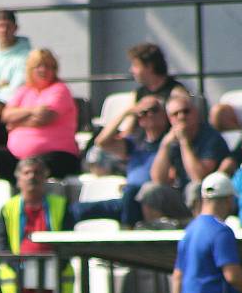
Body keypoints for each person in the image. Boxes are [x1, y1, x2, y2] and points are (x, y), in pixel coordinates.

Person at [0, 157, 73, 293]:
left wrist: (53, 267)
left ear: (46, 177)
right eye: (27, 172)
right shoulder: (8, 208)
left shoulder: (61, 205)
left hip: (53, 291)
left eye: (37, 172)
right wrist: (20, 269)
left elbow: (70, 244)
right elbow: (2, 247)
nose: (32, 177)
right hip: (20, 292)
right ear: (18, 178)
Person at [72, 95, 170, 227]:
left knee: (130, 192)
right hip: (127, 199)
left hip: (148, 201)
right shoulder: (135, 143)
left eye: (154, 110)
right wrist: (126, 113)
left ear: (164, 114)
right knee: (76, 210)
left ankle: (127, 238)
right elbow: (101, 142)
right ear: (139, 118)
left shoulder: (169, 142)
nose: (150, 115)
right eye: (144, 112)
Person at [142, 96, 229, 225]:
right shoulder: (170, 139)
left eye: (186, 111)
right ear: (169, 119)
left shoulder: (210, 137)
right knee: (150, 190)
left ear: (195, 112)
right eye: (175, 114)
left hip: (208, 197)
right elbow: (157, 179)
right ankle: (158, 235)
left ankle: (198, 230)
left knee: (194, 187)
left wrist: (184, 142)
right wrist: (165, 145)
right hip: (182, 196)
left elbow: (199, 177)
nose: (181, 117)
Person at [3, 49, 80, 179]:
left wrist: (16, 123)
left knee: (30, 169)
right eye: (38, 66)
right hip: (18, 158)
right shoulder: (24, 90)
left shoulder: (60, 89)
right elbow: (6, 116)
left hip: (56, 156)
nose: (43, 70)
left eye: (48, 66)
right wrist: (32, 110)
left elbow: (44, 118)